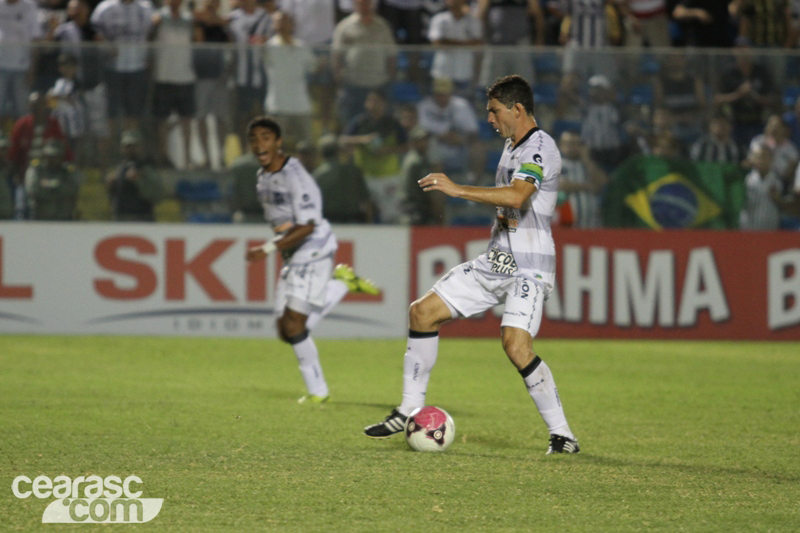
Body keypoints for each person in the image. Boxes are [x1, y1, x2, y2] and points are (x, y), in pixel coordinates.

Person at [363, 75, 580, 454]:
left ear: (517, 109)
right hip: (497, 261)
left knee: (515, 345)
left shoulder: (541, 147)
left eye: (494, 112)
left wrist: (457, 189)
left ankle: (563, 436)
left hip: (529, 266)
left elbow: (517, 196)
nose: (490, 120)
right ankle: (408, 409)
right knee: (422, 313)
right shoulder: (511, 146)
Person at [244, 116, 379, 404]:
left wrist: (266, 250)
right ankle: (341, 283)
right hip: (293, 252)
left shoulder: (297, 177)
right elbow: (284, 223)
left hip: (313, 248)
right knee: (285, 330)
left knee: (294, 325)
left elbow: (307, 225)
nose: (259, 144)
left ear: (278, 143)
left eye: (266, 137)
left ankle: (318, 392)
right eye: (254, 139)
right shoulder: (263, 177)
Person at [340, 89, 408, 223]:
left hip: (389, 176)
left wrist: (387, 150)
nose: (372, 104)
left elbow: (406, 146)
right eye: (369, 100)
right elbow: (343, 140)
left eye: (376, 101)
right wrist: (362, 140)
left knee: (391, 215)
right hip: (365, 175)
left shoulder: (393, 124)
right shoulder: (359, 122)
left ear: (384, 104)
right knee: (364, 211)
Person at [332, 0, 396, 126]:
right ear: (355, 5)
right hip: (354, 84)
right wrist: (339, 78)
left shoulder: (382, 26)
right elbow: (337, 55)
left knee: (382, 122)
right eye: (361, 3)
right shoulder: (344, 26)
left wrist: (391, 76)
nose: (364, 6)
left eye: (367, 3)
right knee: (352, 121)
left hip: (378, 83)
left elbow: (391, 54)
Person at [151, 0, 197, 169]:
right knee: (162, 120)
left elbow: (197, 41)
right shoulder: (157, 18)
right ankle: (164, 157)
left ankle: (187, 158)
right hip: (164, 77)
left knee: (186, 120)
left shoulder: (188, 19)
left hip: (186, 76)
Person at [193, 0, 233, 169]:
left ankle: (221, 155)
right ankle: (206, 157)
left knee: (220, 118)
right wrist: (210, 21)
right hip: (202, 77)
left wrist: (222, 24)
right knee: (201, 117)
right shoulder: (198, 22)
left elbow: (231, 45)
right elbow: (199, 41)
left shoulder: (224, 25)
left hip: (219, 77)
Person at [313, 133, 374, 223]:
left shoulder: (318, 175)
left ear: (321, 153)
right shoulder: (354, 170)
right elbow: (367, 200)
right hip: (354, 221)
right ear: (339, 151)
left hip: (329, 222)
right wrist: (369, 223)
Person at [105, 129, 163, 221]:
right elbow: (112, 200)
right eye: (128, 147)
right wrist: (111, 186)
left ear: (141, 147)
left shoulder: (147, 169)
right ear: (122, 148)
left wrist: (139, 181)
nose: (131, 150)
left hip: (142, 218)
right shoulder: (118, 169)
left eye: (134, 146)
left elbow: (157, 196)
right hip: (121, 218)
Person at [0, 0, 42, 126]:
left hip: (22, 68)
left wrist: (32, 69)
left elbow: (36, 38)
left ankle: (20, 141)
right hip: (1, 67)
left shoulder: (29, 6)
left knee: (21, 109)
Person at [557, 130, 608, 228]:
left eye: (576, 144)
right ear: (561, 145)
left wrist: (586, 159)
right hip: (566, 226)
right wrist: (589, 187)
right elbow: (562, 185)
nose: (572, 147)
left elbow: (602, 182)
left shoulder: (587, 165)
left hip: (591, 224)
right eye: (568, 143)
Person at [24, 138, 82, 221]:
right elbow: (33, 191)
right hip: (40, 217)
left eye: (55, 156)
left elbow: (72, 190)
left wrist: (47, 185)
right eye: (49, 156)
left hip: (63, 218)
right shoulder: (37, 170)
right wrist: (57, 186)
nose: (52, 159)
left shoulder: (68, 172)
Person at [740, 144, 783, 230]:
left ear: (771, 159)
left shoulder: (778, 181)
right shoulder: (745, 180)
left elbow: (784, 205)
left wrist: (779, 199)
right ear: (752, 159)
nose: (761, 160)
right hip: (747, 228)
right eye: (757, 157)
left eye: (764, 157)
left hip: (770, 230)